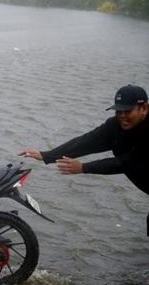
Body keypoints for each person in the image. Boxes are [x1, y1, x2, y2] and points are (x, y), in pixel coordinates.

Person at [19, 84, 148, 234]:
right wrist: (47, 155)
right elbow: (86, 142)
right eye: (118, 111)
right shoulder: (116, 125)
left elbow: (127, 163)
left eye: (127, 111)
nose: (122, 116)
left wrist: (84, 168)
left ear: (144, 108)